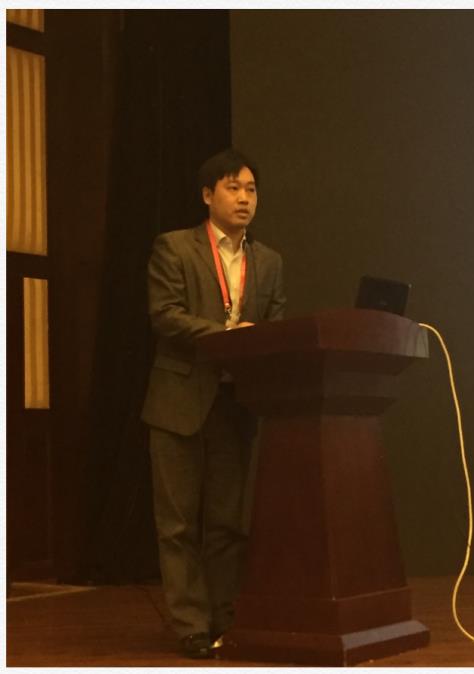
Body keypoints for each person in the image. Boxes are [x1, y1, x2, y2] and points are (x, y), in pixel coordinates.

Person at [141, 148, 285, 658]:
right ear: (208, 195)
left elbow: (273, 326)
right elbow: (165, 315)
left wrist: (258, 342)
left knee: (226, 524)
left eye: (251, 189)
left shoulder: (269, 262)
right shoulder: (175, 247)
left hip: (234, 404)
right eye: (233, 188)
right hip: (179, 400)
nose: (244, 198)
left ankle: (226, 620)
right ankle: (190, 627)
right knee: (178, 524)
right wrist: (227, 335)